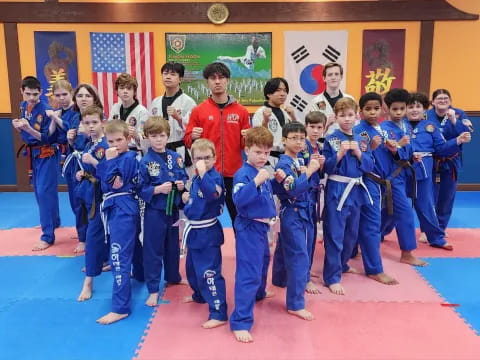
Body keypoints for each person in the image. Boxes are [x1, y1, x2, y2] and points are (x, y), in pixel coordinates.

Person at [184, 62, 250, 224]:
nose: (217, 81)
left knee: (238, 219)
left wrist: (247, 138)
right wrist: (192, 136)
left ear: (228, 80)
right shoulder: (198, 110)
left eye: (221, 77)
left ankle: (241, 249)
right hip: (207, 173)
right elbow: (187, 141)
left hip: (234, 174)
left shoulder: (241, 111)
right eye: (213, 78)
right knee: (203, 217)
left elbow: (245, 145)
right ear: (207, 82)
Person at [230, 127, 279, 343]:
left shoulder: (262, 172)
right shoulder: (244, 174)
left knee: (262, 264)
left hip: (262, 227)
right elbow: (239, 200)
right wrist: (257, 181)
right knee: (248, 272)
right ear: (247, 149)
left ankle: (258, 294)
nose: (263, 157)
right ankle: (240, 321)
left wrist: (274, 179)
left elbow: (266, 198)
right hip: (248, 227)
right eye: (258, 152)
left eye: (267, 153)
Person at [406, 92, 470, 250]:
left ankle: (436, 238)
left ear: (424, 109)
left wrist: (457, 140)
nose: (414, 110)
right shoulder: (398, 125)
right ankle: (378, 235)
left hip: (423, 171)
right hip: (400, 172)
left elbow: (441, 148)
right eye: (411, 106)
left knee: (426, 204)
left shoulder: (431, 127)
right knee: (391, 206)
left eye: (418, 106)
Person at [322, 97, 374, 295]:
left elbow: (369, 166)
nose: (346, 119)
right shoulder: (332, 138)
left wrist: (359, 154)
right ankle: (332, 277)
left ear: (357, 116)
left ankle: (342, 264)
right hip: (337, 188)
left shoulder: (362, 138)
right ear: (335, 117)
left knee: (351, 234)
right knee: (335, 234)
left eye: (350, 115)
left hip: (357, 189)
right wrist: (339, 155)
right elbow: (325, 168)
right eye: (342, 115)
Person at [271, 122, 321, 320]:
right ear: (284, 140)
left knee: (285, 247)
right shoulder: (284, 163)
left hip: (303, 209)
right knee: (300, 255)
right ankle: (295, 303)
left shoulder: (299, 159)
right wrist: (310, 171)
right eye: (294, 138)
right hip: (293, 211)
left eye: (302, 138)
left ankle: (279, 279)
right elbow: (291, 188)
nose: (299, 142)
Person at [96, 120, 142, 325]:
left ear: (128, 139)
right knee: (134, 247)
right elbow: (102, 182)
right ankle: (141, 275)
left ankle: (120, 308)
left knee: (118, 256)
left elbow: (115, 183)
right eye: (110, 140)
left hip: (123, 208)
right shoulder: (112, 157)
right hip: (117, 207)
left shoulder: (129, 157)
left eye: (119, 140)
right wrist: (106, 161)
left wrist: (110, 161)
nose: (114, 144)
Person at [139, 117, 188, 307]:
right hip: (155, 212)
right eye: (154, 136)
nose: (158, 140)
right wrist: (157, 190)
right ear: (147, 137)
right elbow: (140, 188)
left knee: (172, 246)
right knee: (153, 249)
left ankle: (173, 276)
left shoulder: (176, 157)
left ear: (168, 136)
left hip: (173, 211)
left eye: (162, 135)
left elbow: (183, 176)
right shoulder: (145, 161)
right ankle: (153, 289)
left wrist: (182, 185)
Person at [181, 138, 227, 329]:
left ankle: (219, 311)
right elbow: (196, 201)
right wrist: (186, 199)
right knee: (192, 269)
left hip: (208, 233)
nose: (202, 162)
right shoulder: (196, 178)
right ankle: (198, 295)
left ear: (215, 158)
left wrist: (201, 172)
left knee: (209, 273)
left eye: (207, 158)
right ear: (192, 159)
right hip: (194, 232)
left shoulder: (214, 178)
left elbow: (211, 194)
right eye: (198, 158)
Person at [379, 89, 427, 266]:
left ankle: (369, 238)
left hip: (405, 173)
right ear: (387, 109)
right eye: (395, 109)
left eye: (402, 109)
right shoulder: (383, 129)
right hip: (391, 177)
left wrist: (412, 156)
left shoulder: (405, 125)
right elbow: (385, 153)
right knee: (405, 212)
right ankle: (407, 253)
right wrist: (399, 147)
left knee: (389, 212)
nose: (399, 113)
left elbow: (408, 146)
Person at [11, 76, 59, 251]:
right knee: (39, 192)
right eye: (28, 93)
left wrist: (26, 128)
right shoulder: (23, 106)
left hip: (47, 153)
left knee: (45, 192)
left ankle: (48, 236)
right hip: (33, 153)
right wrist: (18, 126)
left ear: (41, 92)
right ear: (22, 92)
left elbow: (47, 137)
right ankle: (54, 221)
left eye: (35, 94)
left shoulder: (46, 110)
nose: (31, 97)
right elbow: (25, 132)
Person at [63, 83, 104, 253]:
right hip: (76, 164)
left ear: (94, 98)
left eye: (87, 95)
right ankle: (82, 235)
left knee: (93, 202)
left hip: (93, 165)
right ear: (75, 99)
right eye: (80, 96)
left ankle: (91, 237)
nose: (83, 99)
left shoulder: (99, 117)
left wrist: (87, 133)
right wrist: (70, 140)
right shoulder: (72, 117)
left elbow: (100, 142)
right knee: (77, 201)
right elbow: (73, 146)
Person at [75, 105, 109, 301]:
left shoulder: (105, 145)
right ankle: (100, 264)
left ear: (102, 122)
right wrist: (84, 172)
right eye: (87, 123)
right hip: (91, 193)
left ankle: (88, 281)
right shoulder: (90, 144)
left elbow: (112, 173)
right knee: (98, 233)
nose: (91, 127)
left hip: (104, 197)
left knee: (94, 235)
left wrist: (94, 164)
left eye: (95, 122)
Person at [427, 89, 474, 232]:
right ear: (433, 102)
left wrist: (454, 121)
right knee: (428, 196)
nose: (442, 101)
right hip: (432, 161)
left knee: (447, 196)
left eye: (445, 98)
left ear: (450, 101)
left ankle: (440, 228)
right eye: (439, 98)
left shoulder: (459, 114)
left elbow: (467, 134)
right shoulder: (425, 115)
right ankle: (428, 229)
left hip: (451, 162)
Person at [150, 62, 197, 168]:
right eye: (165, 73)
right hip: (159, 149)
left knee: (182, 183)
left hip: (179, 149)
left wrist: (179, 118)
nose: (168, 77)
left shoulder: (188, 102)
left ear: (180, 79)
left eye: (173, 74)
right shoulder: (155, 102)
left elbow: (192, 130)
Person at [251, 77, 296, 170]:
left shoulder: (287, 113)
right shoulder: (260, 113)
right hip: (268, 158)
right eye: (278, 90)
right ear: (268, 94)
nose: (282, 94)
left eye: (285, 90)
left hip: (286, 157)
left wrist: (293, 117)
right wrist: (265, 121)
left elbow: (298, 135)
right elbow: (258, 139)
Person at [307, 62, 355, 136]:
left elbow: (356, 125)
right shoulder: (315, 102)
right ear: (324, 78)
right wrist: (327, 124)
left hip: (346, 142)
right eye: (330, 75)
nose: (333, 77)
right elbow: (311, 130)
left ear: (341, 77)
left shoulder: (350, 99)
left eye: (336, 74)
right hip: (323, 144)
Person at [109, 73, 149, 154]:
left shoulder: (142, 111)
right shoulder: (115, 108)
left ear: (134, 92)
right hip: (116, 151)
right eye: (122, 88)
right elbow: (109, 131)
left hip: (134, 152)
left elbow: (147, 140)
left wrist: (136, 135)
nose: (125, 91)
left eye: (129, 88)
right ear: (117, 91)